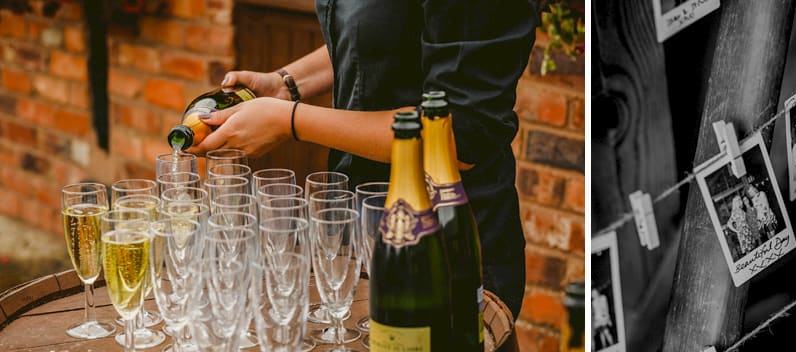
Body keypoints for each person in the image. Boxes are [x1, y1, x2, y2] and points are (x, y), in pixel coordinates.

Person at [184, 1, 539, 318]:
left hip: (443, 248)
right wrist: (287, 84)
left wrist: (289, 120)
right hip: (358, 233)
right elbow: (385, 32)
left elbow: (460, 135)